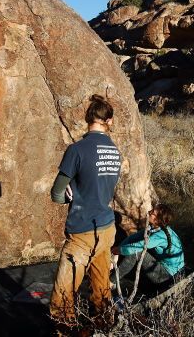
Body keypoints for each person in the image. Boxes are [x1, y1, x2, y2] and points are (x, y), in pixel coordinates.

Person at [48, 94, 122, 331]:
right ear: (108, 121)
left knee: (63, 297)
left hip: (81, 231)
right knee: (101, 290)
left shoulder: (77, 150)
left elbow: (56, 193)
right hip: (107, 228)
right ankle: (105, 328)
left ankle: (63, 331)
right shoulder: (115, 152)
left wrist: (68, 194)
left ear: (88, 118)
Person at [112, 204, 184, 290]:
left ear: (157, 220)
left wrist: (116, 251)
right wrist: (118, 250)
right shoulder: (155, 228)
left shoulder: (159, 236)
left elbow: (136, 248)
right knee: (131, 248)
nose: (149, 212)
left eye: (152, 212)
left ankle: (111, 282)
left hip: (167, 277)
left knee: (137, 252)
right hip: (163, 268)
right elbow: (133, 238)